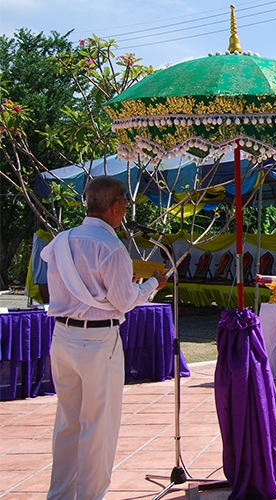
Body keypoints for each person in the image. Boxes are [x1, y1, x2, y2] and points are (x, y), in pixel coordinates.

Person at [40, 176, 168, 500]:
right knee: (98, 427)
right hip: (97, 342)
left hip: (62, 338)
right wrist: (152, 285)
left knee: (68, 423)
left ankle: (60, 495)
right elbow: (123, 301)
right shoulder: (110, 247)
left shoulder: (60, 241)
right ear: (115, 206)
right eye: (124, 204)